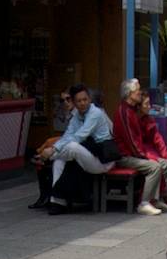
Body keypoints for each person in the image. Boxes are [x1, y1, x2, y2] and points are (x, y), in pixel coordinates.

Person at [113, 78, 167, 215]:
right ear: (129, 93)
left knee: (165, 163)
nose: (139, 93)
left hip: (135, 153)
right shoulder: (124, 112)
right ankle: (144, 202)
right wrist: (146, 157)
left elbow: (151, 138)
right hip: (126, 155)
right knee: (154, 167)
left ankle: (157, 198)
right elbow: (132, 141)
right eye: (136, 91)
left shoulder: (132, 112)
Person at [41, 83, 119, 215]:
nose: (83, 103)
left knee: (72, 147)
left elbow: (80, 136)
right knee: (59, 160)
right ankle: (57, 202)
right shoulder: (77, 116)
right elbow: (68, 134)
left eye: (85, 100)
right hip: (89, 155)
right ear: (75, 103)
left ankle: (49, 157)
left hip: (103, 160)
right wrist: (55, 149)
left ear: (89, 99)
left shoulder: (95, 113)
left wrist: (52, 151)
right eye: (79, 101)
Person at [29, 92, 75, 209]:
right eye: (62, 100)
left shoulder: (78, 114)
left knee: (49, 154)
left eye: (68, 99)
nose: (65, 102)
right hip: (68, 146)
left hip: (76, 149)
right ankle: (45, 195)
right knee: (46, 155)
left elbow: (72, 137)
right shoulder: (70, 114)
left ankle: (49, 196)